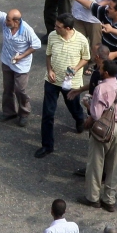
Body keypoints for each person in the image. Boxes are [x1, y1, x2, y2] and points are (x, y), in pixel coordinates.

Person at [36, 14, 91, 158]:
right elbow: (48, 55)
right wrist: (49, 70)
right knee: (48, 113)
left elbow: (86, 58)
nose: (55, 28)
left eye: (58, 26)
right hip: (52, 81)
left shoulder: (81, 40)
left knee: (73, 106)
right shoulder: (53, 36)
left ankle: (79, 118)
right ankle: (47, 145)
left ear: (68, 28)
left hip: (71, 82)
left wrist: (76, 68)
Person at [82, 60, 117, 210]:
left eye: (101, 69)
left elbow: (96, 114)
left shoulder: (100, 88)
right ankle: (109, 199)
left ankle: (93, 197)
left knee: (96, 163)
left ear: (106, 73)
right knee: (114, 164)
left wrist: (88, 105)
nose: (99, 70)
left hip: (102, 127)